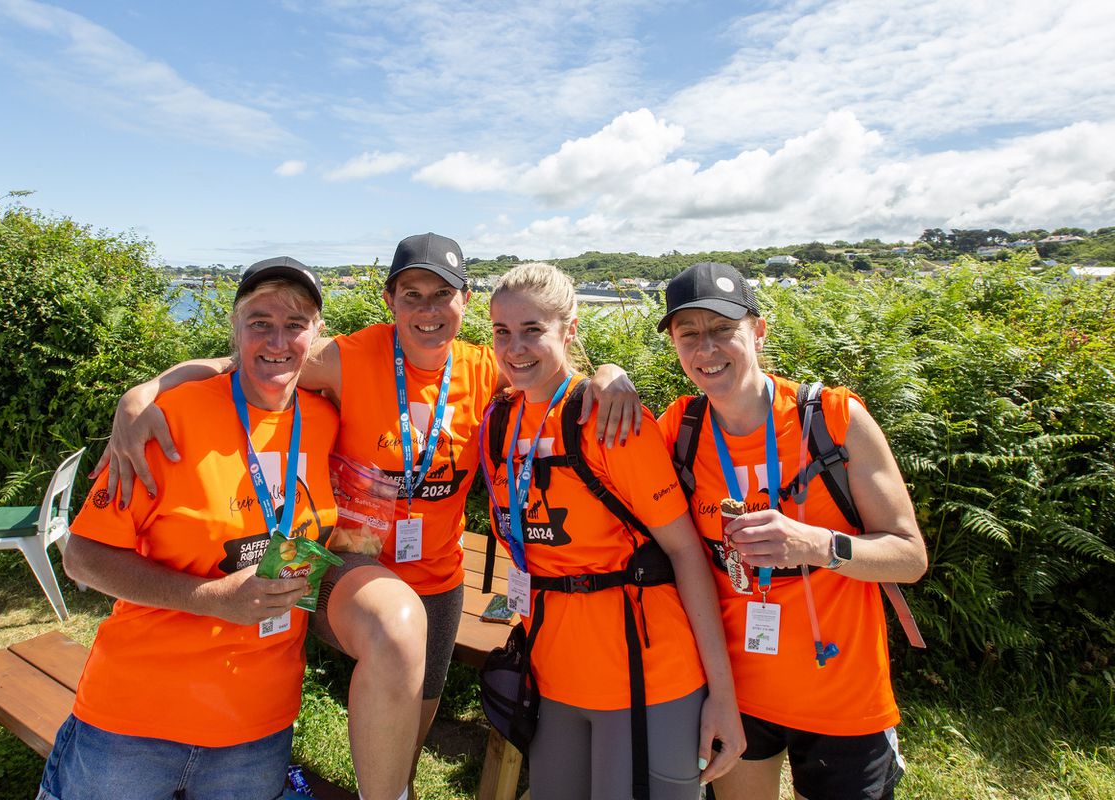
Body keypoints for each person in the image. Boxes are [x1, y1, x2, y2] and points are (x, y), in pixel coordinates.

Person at [96, 233, 643, 797]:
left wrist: (608, 374)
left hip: (437, 578)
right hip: (339, 566)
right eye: (412, 294)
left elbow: (555, 375)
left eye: (441, 294)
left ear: (466, 301)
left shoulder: (487, 370)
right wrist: (145, 392)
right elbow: (250, 362)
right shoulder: (349, 357)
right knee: (378, 635)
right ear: (389, 300)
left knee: (404, 743)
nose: (427, 310)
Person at [38, 257, 425, 800]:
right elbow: (82, 556)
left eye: (295, 324)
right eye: (259, 322)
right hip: (132, 725)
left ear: (316, 335)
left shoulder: (325, 419)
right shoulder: (165, 419)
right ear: (234, 328)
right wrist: (210, 598)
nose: (277, 339)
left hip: (256, 733)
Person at [655, 262, 928, 800]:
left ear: (757, 330)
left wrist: (816, 544)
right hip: (735, 691)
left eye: (722, 329)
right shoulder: (678, 430)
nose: (706, 349)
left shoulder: (832, 418)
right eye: (689, 335)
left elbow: (910, 556)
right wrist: (606, 373)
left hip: (843, 693)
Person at [478, 263, 745, 800]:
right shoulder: (500, 419)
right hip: (551, 676)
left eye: (533, 329)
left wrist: (723, 695)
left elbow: (684, 553)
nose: (515, 348)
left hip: (647, 677)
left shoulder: (610, 420)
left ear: (570, 329)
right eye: (502, 332)